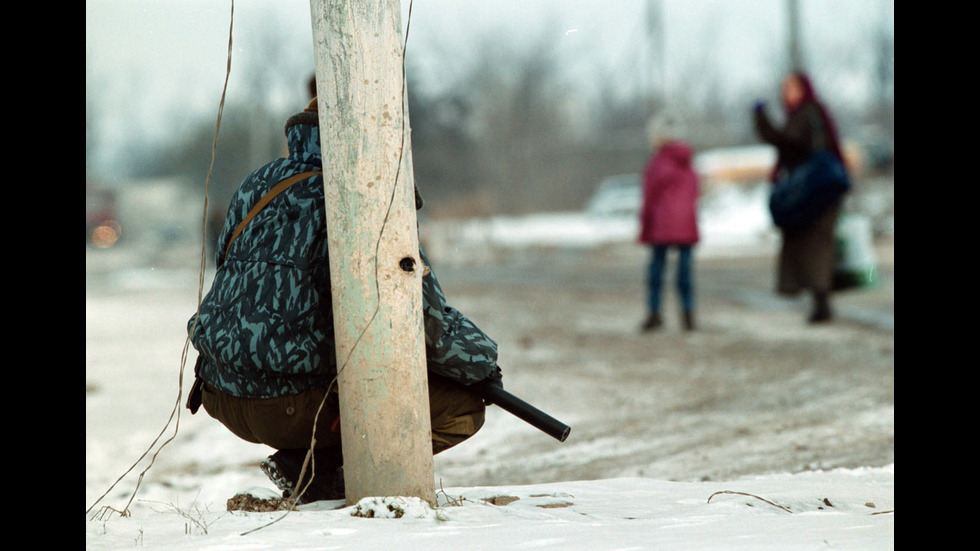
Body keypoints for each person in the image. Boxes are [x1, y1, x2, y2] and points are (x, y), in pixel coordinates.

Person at [184, 97, 503, 504]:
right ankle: (322, 472)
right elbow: (416, 316)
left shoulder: (257, 183)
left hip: (221, 392)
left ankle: (303, 463)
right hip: (290, 404)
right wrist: (482, 364)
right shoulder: (362, 194)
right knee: (463, 406)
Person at [753, 71, 848, 323]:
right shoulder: (808, 114)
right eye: (784, 88)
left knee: (816, 248)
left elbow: (786, 142)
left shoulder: (806, 114)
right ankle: (821, 304)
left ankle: (823, 305)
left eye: (791, 88)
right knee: (813, 248)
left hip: (816, 193)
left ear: (803, 89)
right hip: (819, 192)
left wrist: (761, 119)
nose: (786, 93)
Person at [638, 113, 700, 332]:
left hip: (661, 225)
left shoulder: (657, 164)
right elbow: (695, 191)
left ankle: (654, 313)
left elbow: (649, 198)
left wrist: (645, 227)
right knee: (685, 272)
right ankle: (688, 313)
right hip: (686, 223)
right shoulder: (689, 162)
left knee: (656, 271)